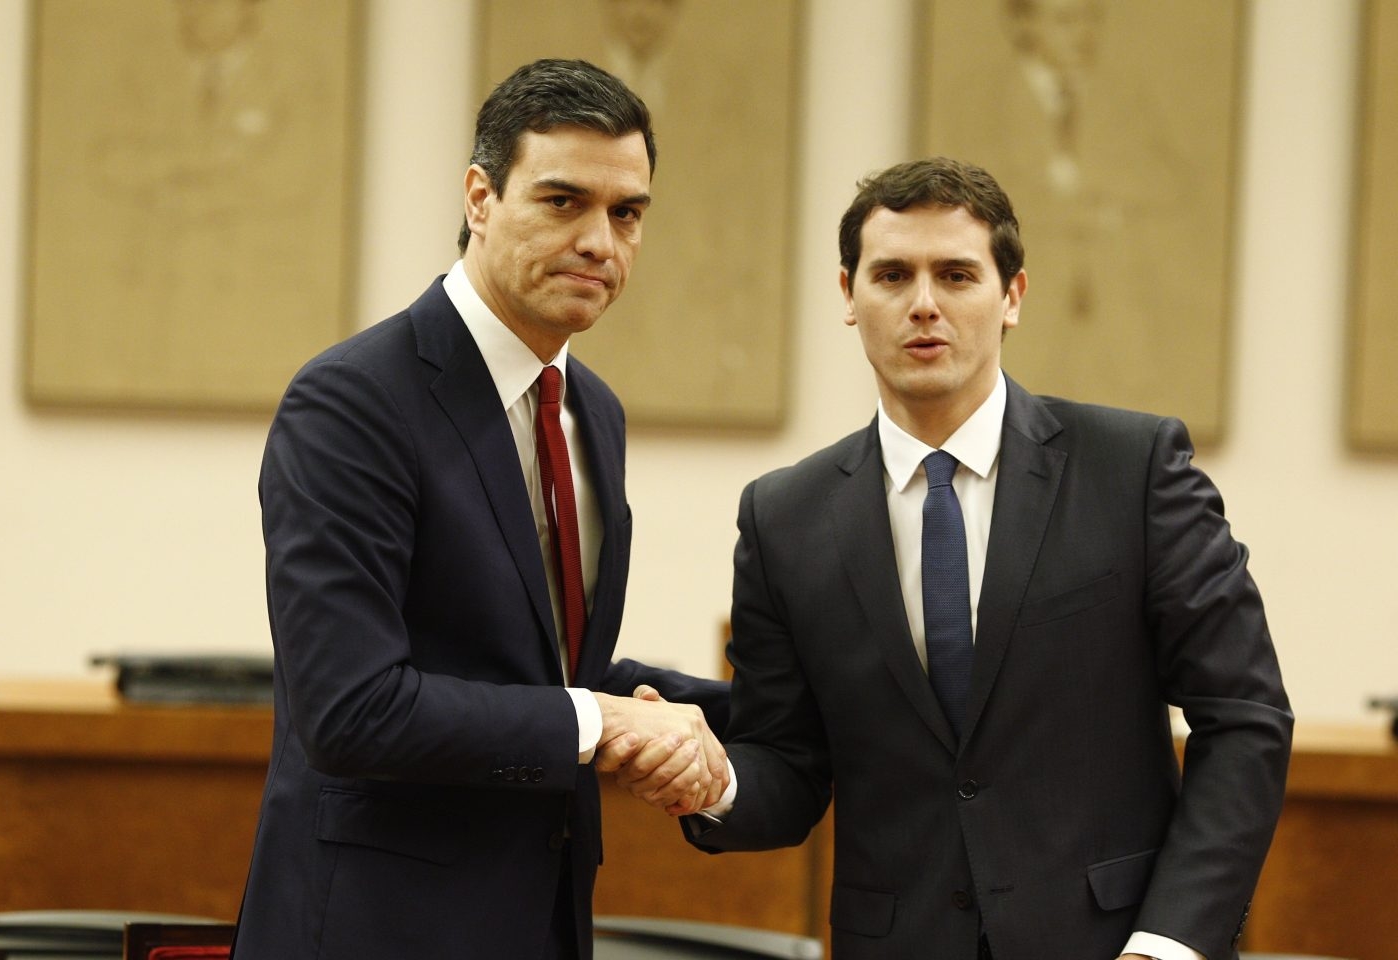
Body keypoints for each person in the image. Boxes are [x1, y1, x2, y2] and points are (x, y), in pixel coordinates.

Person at [637, 157, 1292, 960]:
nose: (923, 305)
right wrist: (713, 781)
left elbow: (1246, 719)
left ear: (1011, 296)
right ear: (847, 296)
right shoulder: (784, 516)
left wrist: (1169, 943)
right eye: (891, 275)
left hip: (1115, 942)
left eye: (955, 275)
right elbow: (790, 761)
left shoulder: (1134, 469)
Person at [230, 59, 729, 960]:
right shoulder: (351, 401)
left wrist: (729, 710)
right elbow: (351, 711)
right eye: (563, 201)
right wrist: (606, 721)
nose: (599, 242)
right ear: (480, 197)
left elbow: (534, 664)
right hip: (375, 930)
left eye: (627, 214)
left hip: (543, 918)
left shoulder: (593, 411)